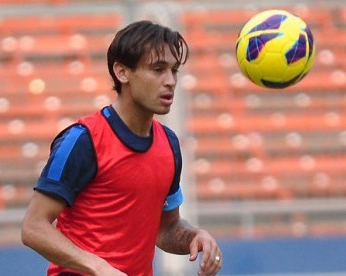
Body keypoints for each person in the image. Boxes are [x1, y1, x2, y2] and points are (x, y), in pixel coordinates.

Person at [21, 20, 222, 276]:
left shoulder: (169, 145)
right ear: (122, 72)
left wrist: (194, 236)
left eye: (174, 70)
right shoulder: (83, 140)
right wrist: (98, 267)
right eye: (158, 69)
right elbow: (33, 227)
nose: (170, 81)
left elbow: (166, 228)